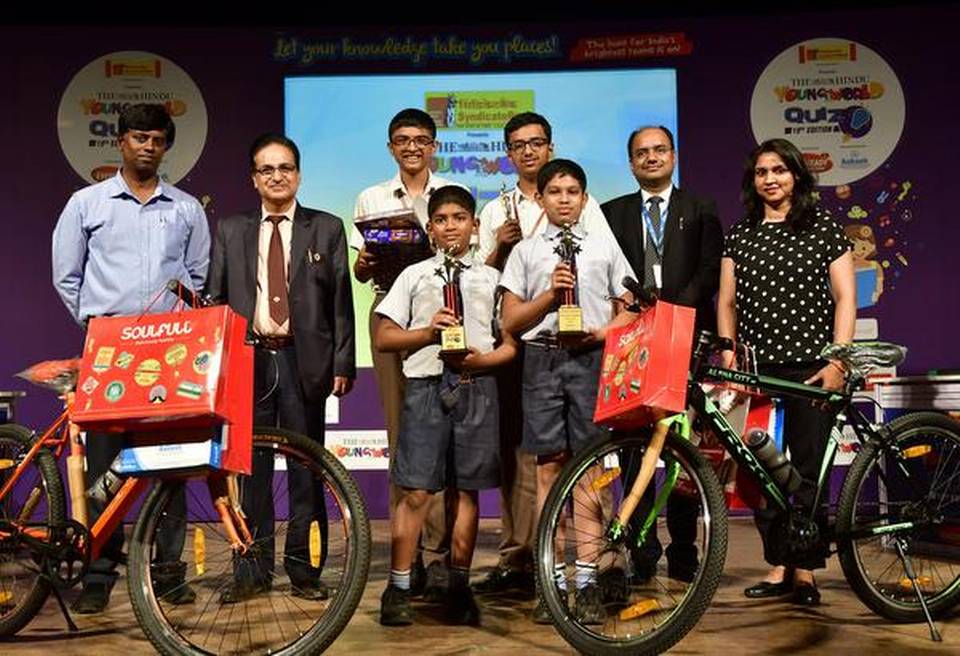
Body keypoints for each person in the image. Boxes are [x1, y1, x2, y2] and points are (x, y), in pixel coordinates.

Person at [52, 103, 209, 613]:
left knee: (173, 461)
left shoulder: (186, 208)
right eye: (138, 137)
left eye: (157, 139)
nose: (147, 146)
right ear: (120, 141)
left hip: (172, 348)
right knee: (104, 465)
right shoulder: (86, 204)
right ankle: (98, 574)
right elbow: (66, 275)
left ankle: (168, 573)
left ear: (166, 147)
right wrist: (96, 325)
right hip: (109, 348)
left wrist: (174, 326)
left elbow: (198, 279)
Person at [205, 132, 355, 601]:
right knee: (250, 472)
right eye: (266, 169)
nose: (277, 176)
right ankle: (251, 573)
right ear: (254, 179)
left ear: (298, 174)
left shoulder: (326, 227)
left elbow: (341, 305)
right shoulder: (231, 229)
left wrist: (343, 361)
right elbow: (217, 298)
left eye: (285, 167)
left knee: (306, 472)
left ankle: (305, 573)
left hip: (302, 361)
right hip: (249, 361)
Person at [717, 138, 855, 606]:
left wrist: (838, 361)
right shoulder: (741, 234)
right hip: (757, 372)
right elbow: (727, 303)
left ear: (796, 175)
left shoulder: (823, 228)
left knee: (807, 470)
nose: (770, 179)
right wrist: (730, 358)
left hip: (813, 369)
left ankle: (807, 571)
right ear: (752, 182)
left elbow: (845, 299)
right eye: (761, 172)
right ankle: (779, 563)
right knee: (760, 473)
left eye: (779, 170)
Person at [499, 159, 636, 623]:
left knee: (591, 470)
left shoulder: (603, 246)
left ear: (583, 197)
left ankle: (587, 581)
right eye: (554, 191)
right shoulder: (527, 253)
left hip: (590, 359)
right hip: (542, 359)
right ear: (539, 197)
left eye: (572, 191)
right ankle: (550, 582)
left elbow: (630, 309)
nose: (563, 198)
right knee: (548, 473)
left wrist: (600, 335)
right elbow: (510, 323)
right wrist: (549, 299)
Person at [375, 185, 517, 626]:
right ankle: (398, 587)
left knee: (467, 491)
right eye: (442, 219)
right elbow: (383, 337)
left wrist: (485, 360)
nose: (451, 225)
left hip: (476, 387)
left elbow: (510, 343)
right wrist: (427, 333)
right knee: (417, 491)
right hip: (426, 389)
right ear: (431, 229)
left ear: (476, 226)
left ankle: (458, 584)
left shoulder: (494, 281)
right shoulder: (414, 276)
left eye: (460, 217)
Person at [601, 125, 723, 582]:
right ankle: (641, 546)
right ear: (631, 163)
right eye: (641, 153)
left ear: (672, 155)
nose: (651, 158)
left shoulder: (701, 208)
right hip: (633, 344)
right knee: (636, 448)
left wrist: (676, 313)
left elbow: (710, 269)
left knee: (682, 445)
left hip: (686, 339)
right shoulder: (612, 214)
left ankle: (685, 547)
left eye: (659, 150)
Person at [352, 108, 461, 598]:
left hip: (446, 316)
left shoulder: (452, 195)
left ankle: (438, 555)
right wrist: (366, 260)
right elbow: (359, 272)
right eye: (402, 139)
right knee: (403, 437)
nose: (412, 146)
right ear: (391, 146)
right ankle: (407, 553)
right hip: (393, 318)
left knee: (441, 434)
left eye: (421, 139)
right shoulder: (371, 198)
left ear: (434, 144)